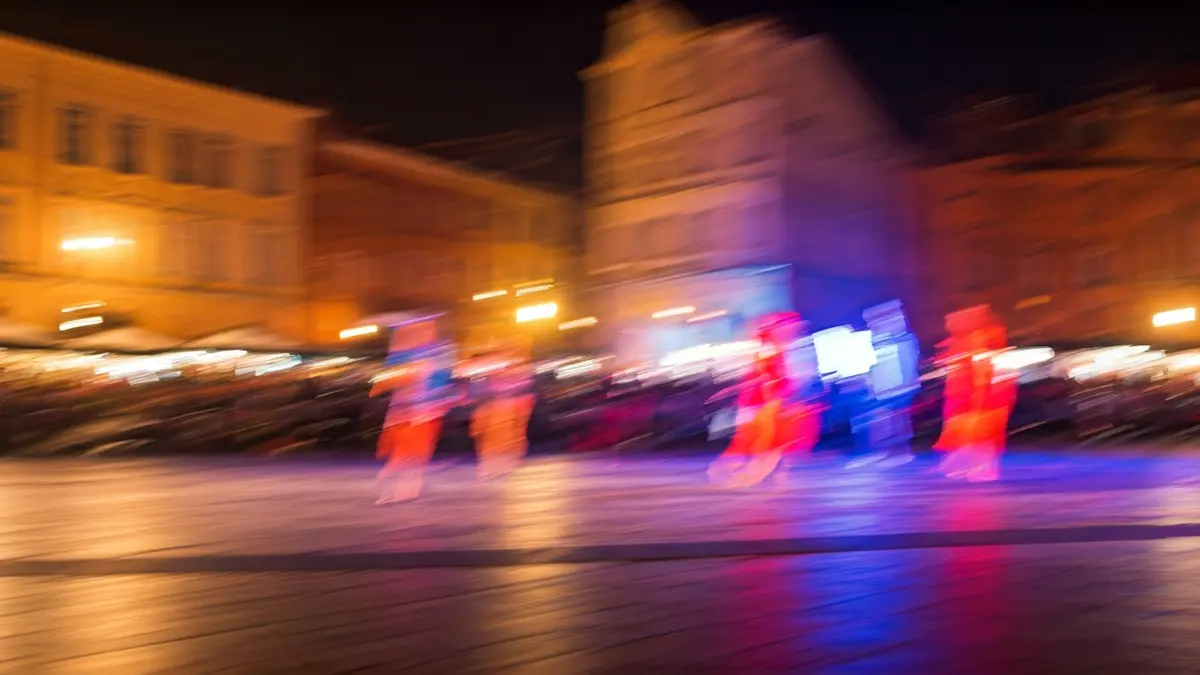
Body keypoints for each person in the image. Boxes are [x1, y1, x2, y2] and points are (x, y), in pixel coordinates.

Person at [371, 320, 457, 504]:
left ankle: (406, 490)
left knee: (413, 455)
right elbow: (389, 383)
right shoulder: (407, 359)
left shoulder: (429, 359)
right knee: (403, 456)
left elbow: (434, 385)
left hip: (419, 415)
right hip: (407, 415)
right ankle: (397, 489)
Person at [936, 308, 1017, 482]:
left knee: (979, 435)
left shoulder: (978, 347)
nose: (949, 324)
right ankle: (972, 467)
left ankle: (978, 468)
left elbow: (981, 377)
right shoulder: (966, 346)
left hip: (981, 401)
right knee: (976, 435)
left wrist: (978, 402)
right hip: (976, 400)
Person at [846, 300, 922, 469]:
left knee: (898, 420)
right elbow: (872, 366)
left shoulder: (901, 339)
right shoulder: (878, 340)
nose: (871, 324)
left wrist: (907, 384)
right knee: (885, 421)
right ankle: (886, 452)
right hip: (885, 390)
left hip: (899, 388)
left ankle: (901, 453)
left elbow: (907, 364)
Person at [471, 351, 535, 480]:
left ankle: (500, 464)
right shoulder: (488, 374)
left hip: (505, 407)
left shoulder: (508, 372)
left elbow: (518, 386)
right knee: (489, 437)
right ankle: (492, 466)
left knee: (505, 436)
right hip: (496, 407)